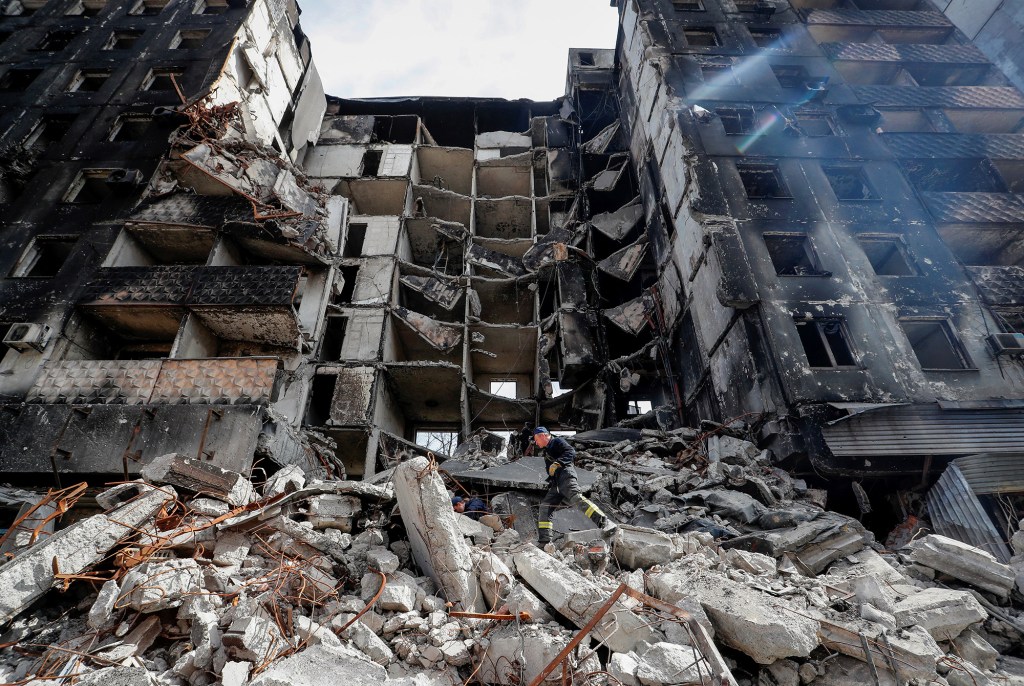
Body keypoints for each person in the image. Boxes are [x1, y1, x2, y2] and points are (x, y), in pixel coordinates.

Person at [533, 427, 616, 547]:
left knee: (577, 499)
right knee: (545, 507)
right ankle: (544, 542)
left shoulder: (557, 441)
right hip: (556, 484)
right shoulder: (547, 451)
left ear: (542, 436)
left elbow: (570, 451)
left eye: (536, 439)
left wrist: (557, 463)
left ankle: (605, 523)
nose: (536, 443)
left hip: (566, 477)